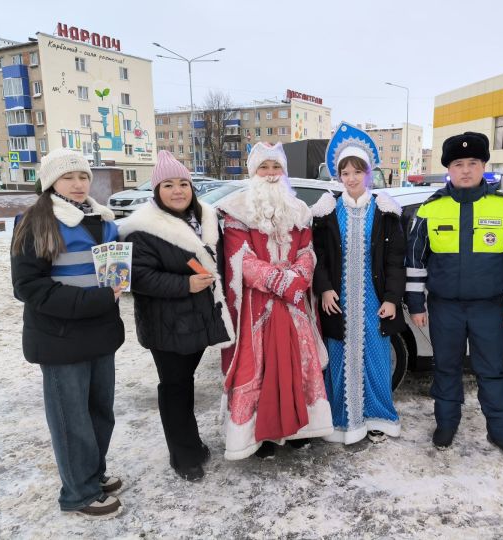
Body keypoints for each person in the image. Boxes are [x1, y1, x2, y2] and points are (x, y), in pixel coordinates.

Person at [405, 131, 503, 461]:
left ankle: (502, 433)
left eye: (472, 163)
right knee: (446, 368)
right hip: (444, 307)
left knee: (492, 371)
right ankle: (446, 424)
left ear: (483, 166)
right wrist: (417, 304)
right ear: (448, 168)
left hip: (489, 308)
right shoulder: (430, 209)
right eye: (458, 164)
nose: (465, 170)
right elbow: (415, 261)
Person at [10, 148, 125, 517]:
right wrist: (96, 300)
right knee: (70, 419)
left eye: (83, 176)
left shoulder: (104, 219)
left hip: (101, 333)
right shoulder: (35, 222)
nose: (78, 184)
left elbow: (111, 273)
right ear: (50, 183)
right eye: (68, 177)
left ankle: (92, 473)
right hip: (60, 337)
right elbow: (29, 287)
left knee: (100, 412)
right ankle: (78, 493)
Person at [119, 150, 234, 481]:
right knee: (175, 387)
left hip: (197, 320)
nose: (178, 191)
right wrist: (185, 284)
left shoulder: (206, 219)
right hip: (166, 323)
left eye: (183, 183)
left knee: (186, 384)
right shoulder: (140, 228)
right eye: (168, 185)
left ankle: (192, 444)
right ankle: (183, 456)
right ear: (157, 191)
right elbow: (139, 277)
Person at [219, 142, 333, 460]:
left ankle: (298, 428)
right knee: (259, 369)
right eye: (264, 167)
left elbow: (307, 251)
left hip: (294, 303)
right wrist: (283, 282)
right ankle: (262, 436)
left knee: (298, 365)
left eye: (276, 167)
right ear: (253, 172)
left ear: (284, 172)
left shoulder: (298, 210)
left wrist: (298, 278)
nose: (270, 174)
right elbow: (239, 258)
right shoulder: (237, 210)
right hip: (258, 307)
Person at [311, 123, 406, 444]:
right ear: (338, 176)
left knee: (376, 358)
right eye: (345, 172)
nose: (351, 178)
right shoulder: (326, 212)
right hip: (338, 301)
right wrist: (324, 288)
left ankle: (378, 417)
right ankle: (342, 421)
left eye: (357, 171)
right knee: (338, 358)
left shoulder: (385, 211)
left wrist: (392, 297)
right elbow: (317, 256)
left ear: (368, 173)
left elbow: (395, 261)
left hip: (373, 300)